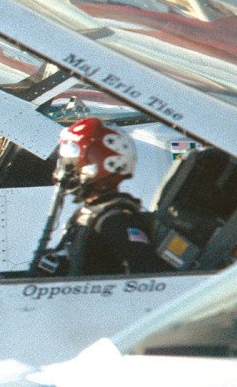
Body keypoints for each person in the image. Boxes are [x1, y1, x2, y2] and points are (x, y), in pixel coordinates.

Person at [36, 117, 165, 276]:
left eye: (72, 158)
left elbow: (149, 274)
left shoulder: (115, 220)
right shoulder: (90, 213)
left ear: (100, 161)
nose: (65, 168)